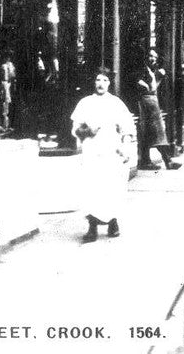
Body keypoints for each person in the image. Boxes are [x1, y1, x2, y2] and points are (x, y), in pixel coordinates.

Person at [71, 68, 134, 243]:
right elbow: (75, 129)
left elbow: (127, 127)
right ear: (94, 82)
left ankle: (113, 222)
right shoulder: (85, 103)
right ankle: (92, 226)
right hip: (92, 149)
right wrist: (87, 131)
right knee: (92, 186)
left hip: (111, 149)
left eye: (105, 80)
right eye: (98, 80)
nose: (101, 84)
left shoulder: (116, 103)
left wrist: (125, 145)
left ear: (109, 83)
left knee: (112, 185)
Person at [136, 49, 180, 169]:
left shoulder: (153, 70)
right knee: (156, 133)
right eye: (151, 56)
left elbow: (154, 86)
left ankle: (153, 161)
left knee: (155, 133)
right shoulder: (142, 69)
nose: (153, 59)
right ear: (146, 57)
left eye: (155, 57)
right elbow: (138, 81)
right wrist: (145, 85)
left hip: (153, 103)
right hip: (146, 103)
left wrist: (159, 76)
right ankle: (166, 161)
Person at [0, 46, 16, 134]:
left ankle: (7, 125)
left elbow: (12, 75)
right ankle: (5, 125)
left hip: (8, 84)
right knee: (5, 104)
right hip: (5, 84)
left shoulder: (10, 65)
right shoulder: (4, 66)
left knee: (7, 104)